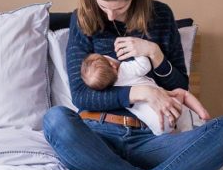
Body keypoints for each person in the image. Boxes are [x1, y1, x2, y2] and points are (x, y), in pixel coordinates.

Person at [43, 0, 223, 170]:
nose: (110, 15)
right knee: (55, 120)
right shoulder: (83, 20)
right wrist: (141, 92)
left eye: (119, 7)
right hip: (96, 138)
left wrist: (154, 53)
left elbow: (181, 84)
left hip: (152, 138)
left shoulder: (160, 15)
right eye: (103, 6)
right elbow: (82, 96)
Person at [80, 52, 210, 135]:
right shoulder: (125, 70)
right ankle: (203, 115)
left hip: (157, 127)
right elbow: (145, 64)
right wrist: (137, 50)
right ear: (112, 64)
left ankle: (183, 134)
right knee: (182, 93)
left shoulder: (113, 91)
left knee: (177, 133)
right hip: (168, 108)